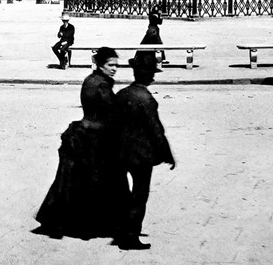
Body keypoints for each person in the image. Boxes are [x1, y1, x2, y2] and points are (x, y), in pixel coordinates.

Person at [34, 47, 126, 239]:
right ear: (100, 65)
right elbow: (112, 112)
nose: (114, 69)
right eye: (110, 65)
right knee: (101, 180)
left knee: (75, 181)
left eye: (116, 65)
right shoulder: (102, 85)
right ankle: (95, 224)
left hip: (82, 133)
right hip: (96, 138)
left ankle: (72, 220)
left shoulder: (89, 80)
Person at [114, 57, 176, 250]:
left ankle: (120, 229)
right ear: (148, 77)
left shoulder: (122, 94)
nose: (153, 79)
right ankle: (130, 237)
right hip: (141, 156)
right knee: (139, 195)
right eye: (152, 75)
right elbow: (156, 130)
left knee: (122, 193)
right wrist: (167, 154)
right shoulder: (147, 99)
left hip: (120, 153)